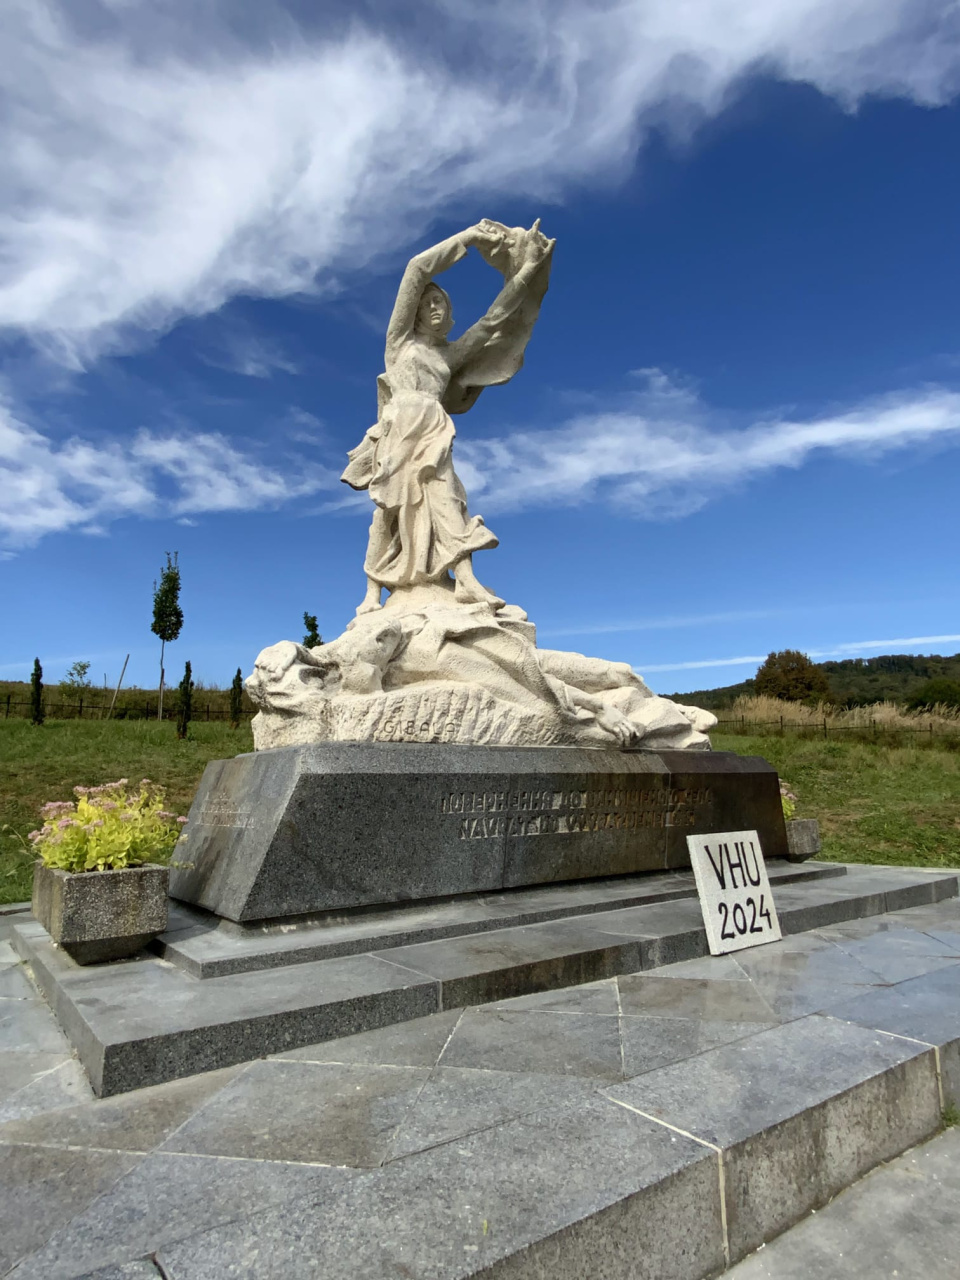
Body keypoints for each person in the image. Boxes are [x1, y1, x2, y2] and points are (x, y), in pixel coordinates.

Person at [342, 219, 554, 614]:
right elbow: (416, 269)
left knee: (448, 496)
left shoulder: (449, 356)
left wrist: (527, 270)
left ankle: (467, 580)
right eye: (427, 303)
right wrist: (469, 238)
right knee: (388, 509)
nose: (434, 307)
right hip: (398, 427)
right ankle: (372, 593)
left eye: (440, 302)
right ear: (415, 312)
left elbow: (493, 320)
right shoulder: (399, 343)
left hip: (433, 427)